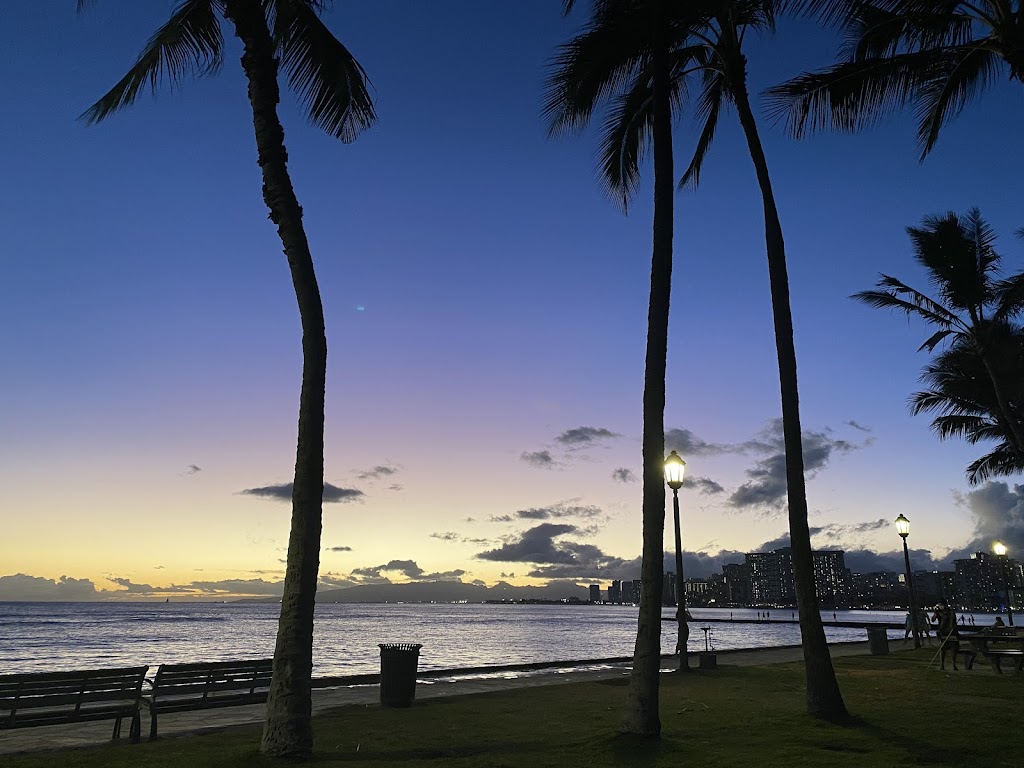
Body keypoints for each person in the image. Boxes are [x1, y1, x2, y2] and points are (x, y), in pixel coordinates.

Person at [931, 602, 960, 671]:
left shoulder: (950, 612)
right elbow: (933, 620)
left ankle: (953, 665)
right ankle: (942, 665)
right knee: (943, 648)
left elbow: (953, 620)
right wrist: (936, 613)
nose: (940, 607)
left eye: (941, 605)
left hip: (951, 632)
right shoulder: (939, 612)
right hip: (942, 632)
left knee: (953, 648)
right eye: (939, 605)